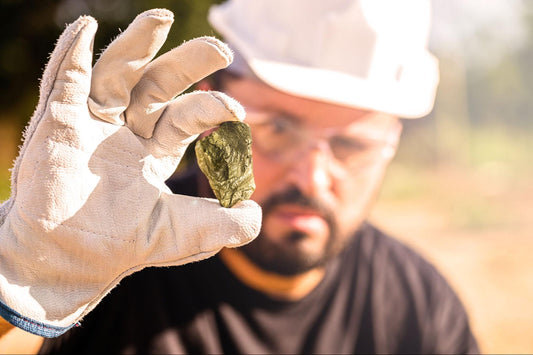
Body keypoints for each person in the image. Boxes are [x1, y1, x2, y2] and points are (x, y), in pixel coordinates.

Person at [0, 0, 480, 354]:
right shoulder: (115, 255)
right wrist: (19, 270)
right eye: (276, 129)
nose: (311, 177)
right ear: (208, 107)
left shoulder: (419, 308)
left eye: (351, 145)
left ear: (391, 143)